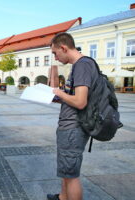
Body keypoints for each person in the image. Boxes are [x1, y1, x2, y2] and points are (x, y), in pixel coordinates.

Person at [48, 32, 99, 200]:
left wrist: (58, 93)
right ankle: (63, 197)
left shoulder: (82, 65)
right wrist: (57, 96)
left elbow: (80, 101)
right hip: (70, 126)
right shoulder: (80, 65)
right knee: (67, 170)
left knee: (72, 176)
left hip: (73, 128)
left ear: (63, 47)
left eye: (55, 53)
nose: (55, 58)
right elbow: (74, 98)